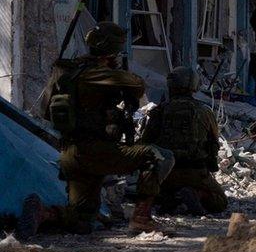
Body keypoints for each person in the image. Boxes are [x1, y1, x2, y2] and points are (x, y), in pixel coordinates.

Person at [19, 22, 175, 238]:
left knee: (82, 221)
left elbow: (46, 112)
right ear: (112, 49)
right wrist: (115, 68)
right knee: (159, 156)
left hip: (71, 154)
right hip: (96, 151)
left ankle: (43, 214)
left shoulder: (70, 71)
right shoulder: (99, 73)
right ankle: (142, 217)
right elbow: (137, 85)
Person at [139, 66, 227, 215]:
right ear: (193, 85)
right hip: (195, 172)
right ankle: (197, 194)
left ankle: (169, 196)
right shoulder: (205, 111)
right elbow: (213, 143)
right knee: (219, 202)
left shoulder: (159, 111)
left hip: (166, 174)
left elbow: (146, 143)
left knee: (152, 192)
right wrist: (210, 167)